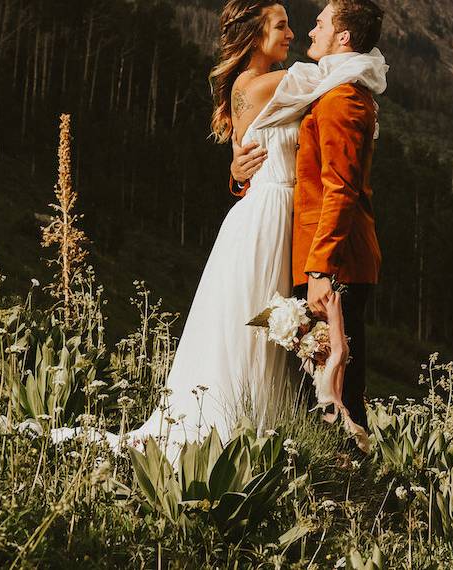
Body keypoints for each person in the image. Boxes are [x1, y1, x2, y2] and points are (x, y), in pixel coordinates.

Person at [52, 0, 387, 463]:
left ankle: (283, 436)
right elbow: (335, 77)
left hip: (274, 213)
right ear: (254, 34)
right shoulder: (278, 84)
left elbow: (250, 152)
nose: (294, 33)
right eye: (282, 25)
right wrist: (364, 66)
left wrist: (236, 173)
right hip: (273, 217)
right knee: (274, 333)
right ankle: (260, 435)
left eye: (299, 24)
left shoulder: (251, 86)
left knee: (275, 336)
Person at [232, 0, 386, 433]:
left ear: (344, 38)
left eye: (320, 23)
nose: (309, 31)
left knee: (336, 385)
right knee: (323, 382)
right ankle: (337, 476)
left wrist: (320, 269)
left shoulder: (342, 98)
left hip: (334, 262)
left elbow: (341, 190)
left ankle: (348, 482)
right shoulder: (334, 88)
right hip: (323, 256)